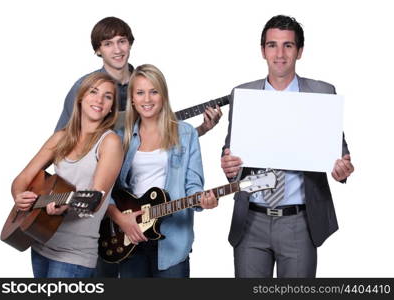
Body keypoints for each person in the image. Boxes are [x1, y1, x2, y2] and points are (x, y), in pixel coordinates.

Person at [220, 15, 354, 278]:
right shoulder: (243, 95)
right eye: (272, 45)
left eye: (288, 46)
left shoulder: (321, 94)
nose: (279, 54)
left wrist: (343, 168)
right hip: (251, 221)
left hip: (299, 223)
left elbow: (339, 152)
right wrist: (228, 165)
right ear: (262, 51)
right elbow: (230, 153)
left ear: (299, 51)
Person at [106, 64, 218, 278]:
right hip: (128, 236)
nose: (147, 99)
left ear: (163, 96)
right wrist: (120, 219)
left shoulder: (185, 134)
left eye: (153, 91)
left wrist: (202, 200)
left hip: (172, 239)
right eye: (140, 92)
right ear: (132, 99)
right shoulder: (121, 138)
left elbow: (193, 185)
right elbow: (106, 188)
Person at [11, 72, 123, 277]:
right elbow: (22, 179)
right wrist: (19, 195)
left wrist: (66, 206)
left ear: (111, 108)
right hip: (40, 241)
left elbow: (95, 200)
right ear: (81, 97)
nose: (99, 100)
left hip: (74, 254)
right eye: (93, 92)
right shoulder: (60, 137)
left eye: (107, 97)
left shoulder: (110, 143)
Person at [55, 16, 222, 136]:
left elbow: (162, 138)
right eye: (108, 44)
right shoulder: (84, 87)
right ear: (98, 50)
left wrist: (202, 129)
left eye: (122, 41)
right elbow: (60, 139)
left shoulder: (147, 84)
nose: (117, 50)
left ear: (130, 44)